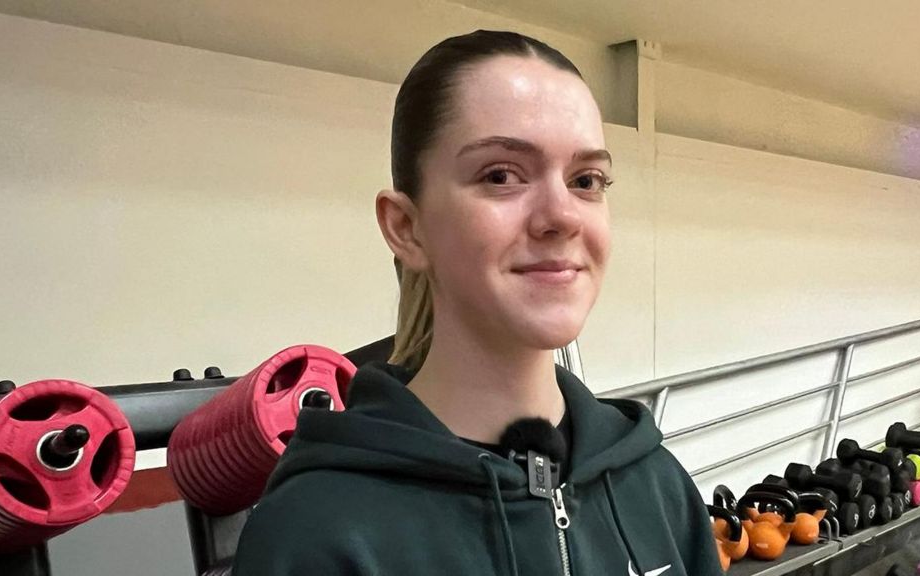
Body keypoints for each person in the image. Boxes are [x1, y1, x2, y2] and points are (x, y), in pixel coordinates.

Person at [233, 30, 722, 576]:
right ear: (406, 227)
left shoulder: (656, 487)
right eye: (501, 175)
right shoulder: (316, 533)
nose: (562, 216)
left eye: (586, 180)